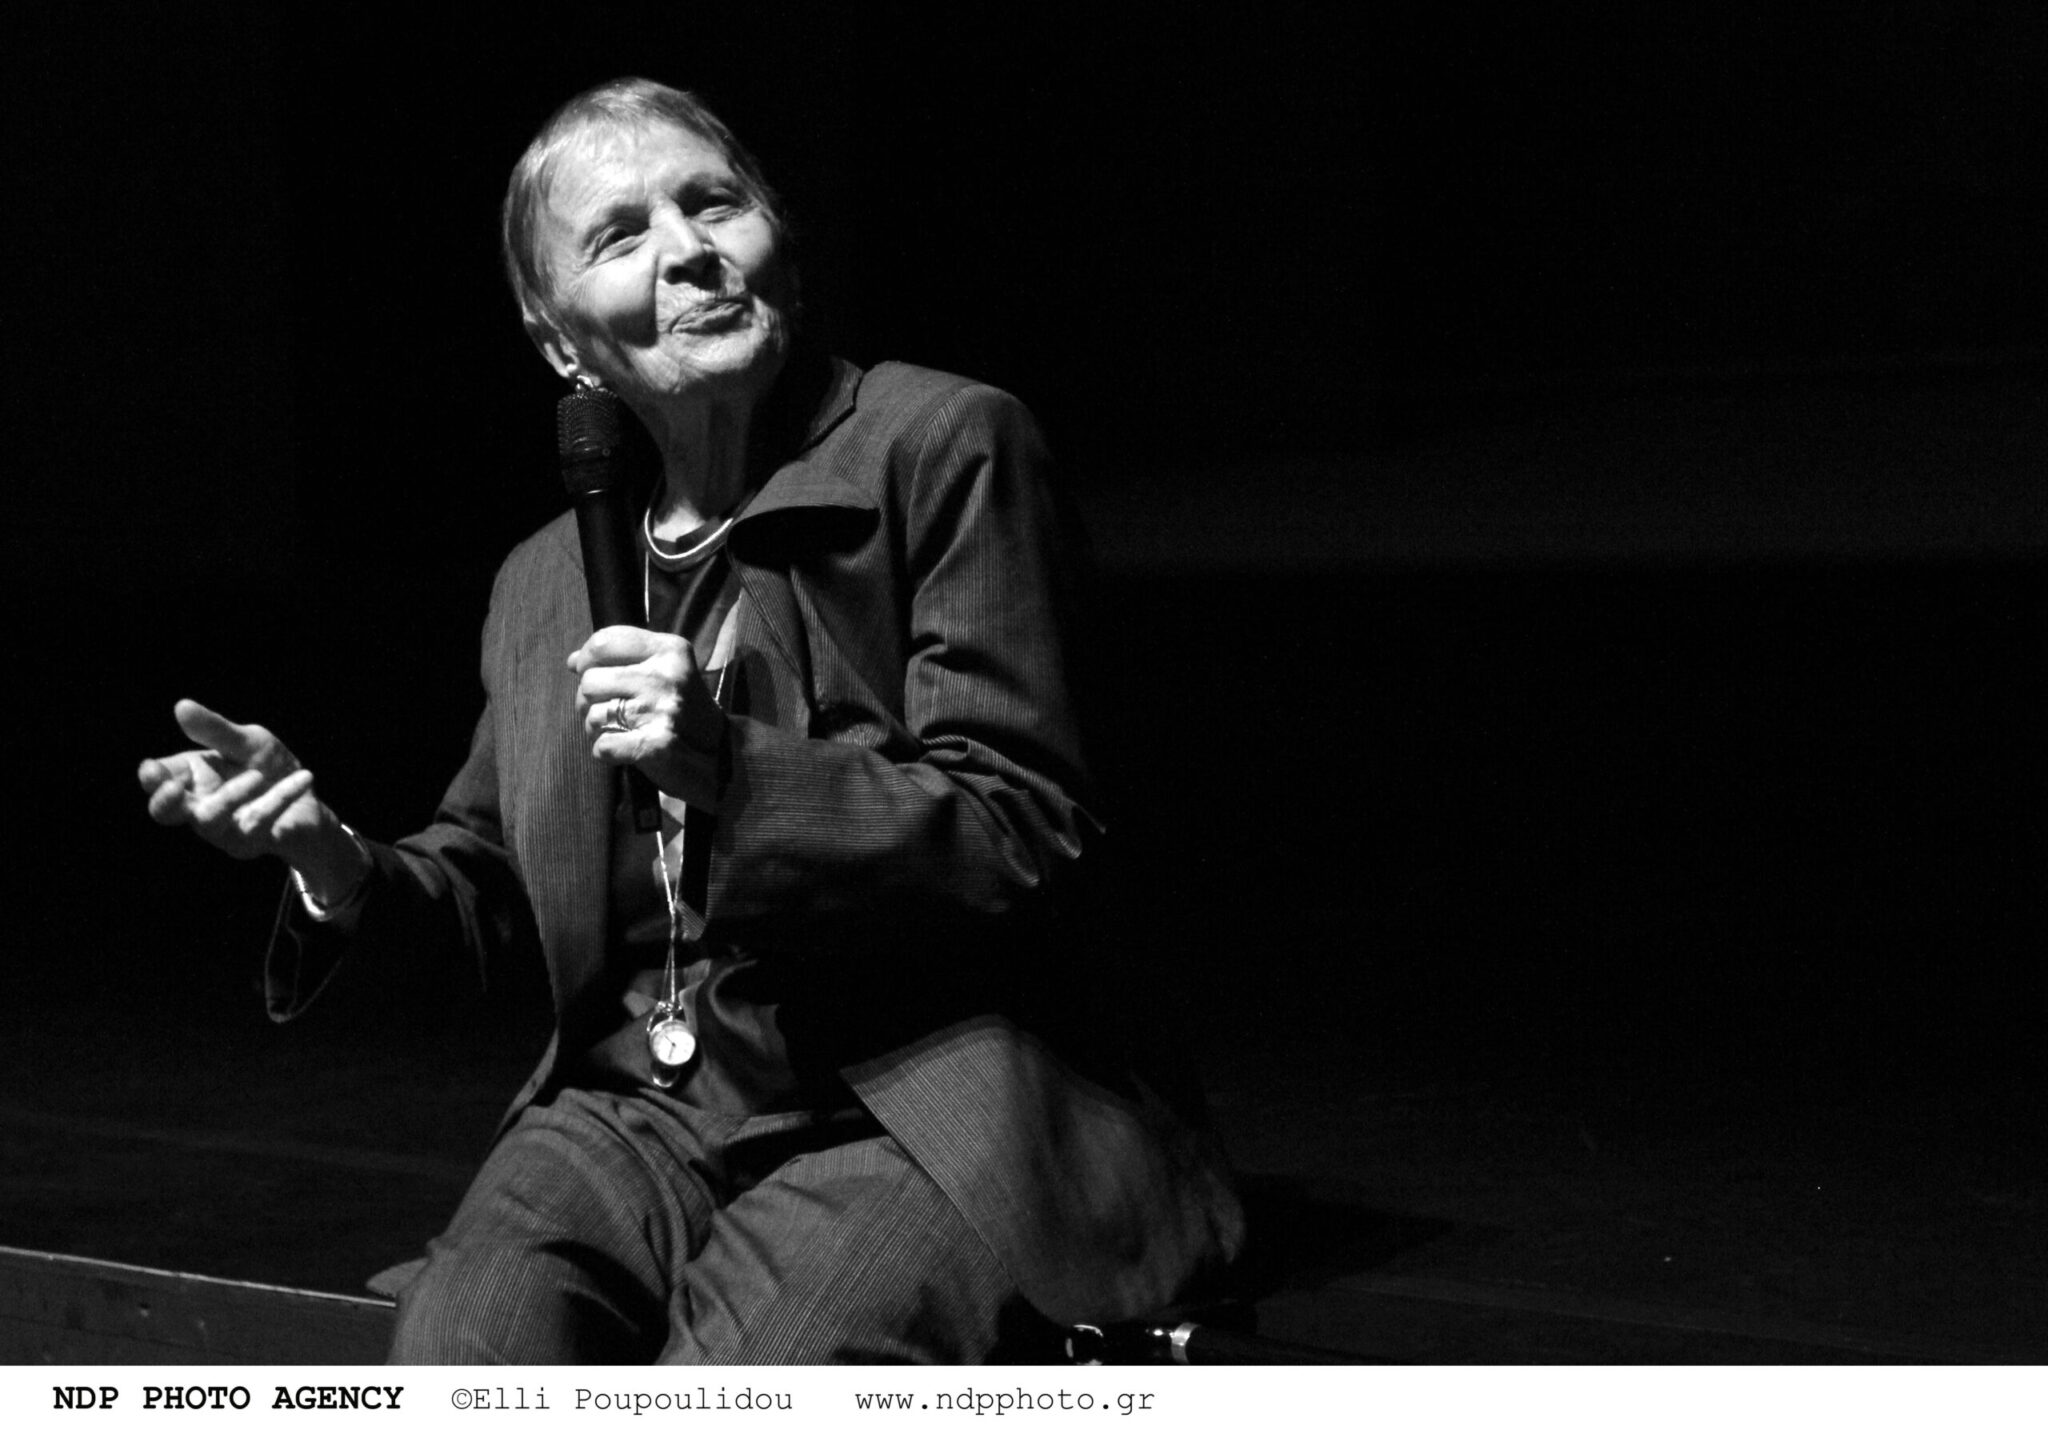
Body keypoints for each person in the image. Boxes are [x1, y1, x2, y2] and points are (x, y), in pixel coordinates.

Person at [136, 77, 1241, 1364]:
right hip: (634, 1112)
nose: (688, 250)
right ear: (558, 340)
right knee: (466, 1353)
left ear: (779, 241)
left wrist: (729, 766)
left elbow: (1025, 826)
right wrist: (329, 860)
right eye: (620, 236)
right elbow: (490, 886)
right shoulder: (546, 578)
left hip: (914, 1098)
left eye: (714, 204)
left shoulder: (940, 445)